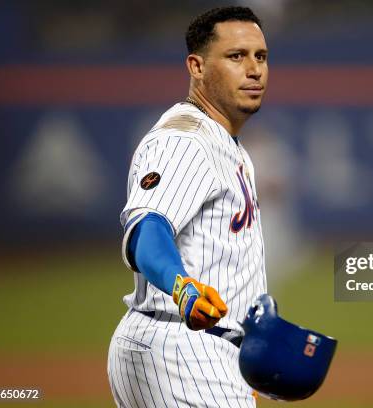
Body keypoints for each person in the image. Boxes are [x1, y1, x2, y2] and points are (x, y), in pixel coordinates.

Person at [107, 6, 269, 407]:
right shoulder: (185, 141)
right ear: (196, 66)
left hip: (191, 350)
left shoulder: (222, 142)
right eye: (236, 56)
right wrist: (182, 288)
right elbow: (147, 229)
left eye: (260, 56)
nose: (254, 70)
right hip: (184, 354)